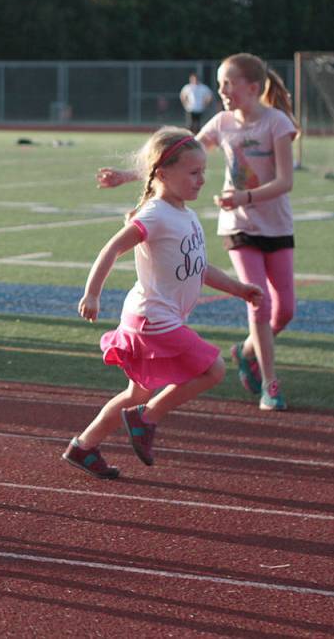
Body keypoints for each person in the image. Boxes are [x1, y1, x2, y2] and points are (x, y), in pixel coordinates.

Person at [99, 53, 297, 411]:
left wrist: (245, 195)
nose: (220, 90)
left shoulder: (276, 122)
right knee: (261, 305)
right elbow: (177, 154)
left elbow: (285, 181)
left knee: (285, 311)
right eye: (219, 83)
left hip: (277, 226)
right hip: (239, 226)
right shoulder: (221, 122)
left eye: (227, 83)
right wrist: (128, 176)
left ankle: (247, 350)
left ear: (252, 88)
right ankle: (271, 384)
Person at [64, 128, 262, 478]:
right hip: (151, 319)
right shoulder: (155, 215)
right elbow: (112, 248)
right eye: (193, 172)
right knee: (214, 368)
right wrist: (92, 292)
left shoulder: (186, 215)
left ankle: (84, 446)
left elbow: (199, 269)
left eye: (203, 172)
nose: (201, 180)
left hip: (154, 316)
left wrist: (238, 288)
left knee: (135, 394)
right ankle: (147, 418)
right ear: (162, 173)